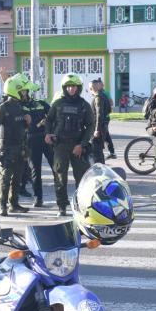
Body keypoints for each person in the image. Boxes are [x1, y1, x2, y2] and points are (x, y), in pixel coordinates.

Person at [46, 73, 95, 217]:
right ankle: (62, 206)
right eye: (68, 86)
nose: (71, 89)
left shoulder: (84, 105)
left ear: (78, 88)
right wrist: (47, 134)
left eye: (74, 86)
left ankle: (81, 205)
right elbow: (48, 120)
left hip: (78, 147)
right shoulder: (58, 103)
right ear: (64, 88)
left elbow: (90, 126)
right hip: (60, 146)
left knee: (81, 179)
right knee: (60, 177)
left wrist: (82, 144)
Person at [0, 74, 30, 217]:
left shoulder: (21, 107)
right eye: (23, 91)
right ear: (16, 91)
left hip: (20, 147)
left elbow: (24, 129)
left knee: (18, 178)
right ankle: (2, 206)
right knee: (5, 178)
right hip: (6, 148)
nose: (25, 94)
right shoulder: (3, 107)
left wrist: (28, 122)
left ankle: (14, 204)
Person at [21, 79, 53, 208]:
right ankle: (38, 198)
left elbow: (52, 116)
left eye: (24, 91)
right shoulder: (18, 106)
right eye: (20, 91)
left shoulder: (40, 104)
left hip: (46, 139)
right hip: (31, 140)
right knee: (36, 171)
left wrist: (47, 126)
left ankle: (62, 197)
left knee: (56, 168)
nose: (22, 93)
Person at [88, 77, 113, 164]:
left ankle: (99, 170)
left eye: (90, 88)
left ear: (92, 88)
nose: (90, 90)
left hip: (99, 127)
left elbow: (99, 114)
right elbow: (109, 109)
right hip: (103, 125)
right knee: (98, 151)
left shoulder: (98, 98)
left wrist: (96, 130)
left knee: (96, 151)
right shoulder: (103, 95)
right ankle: (101, 167)